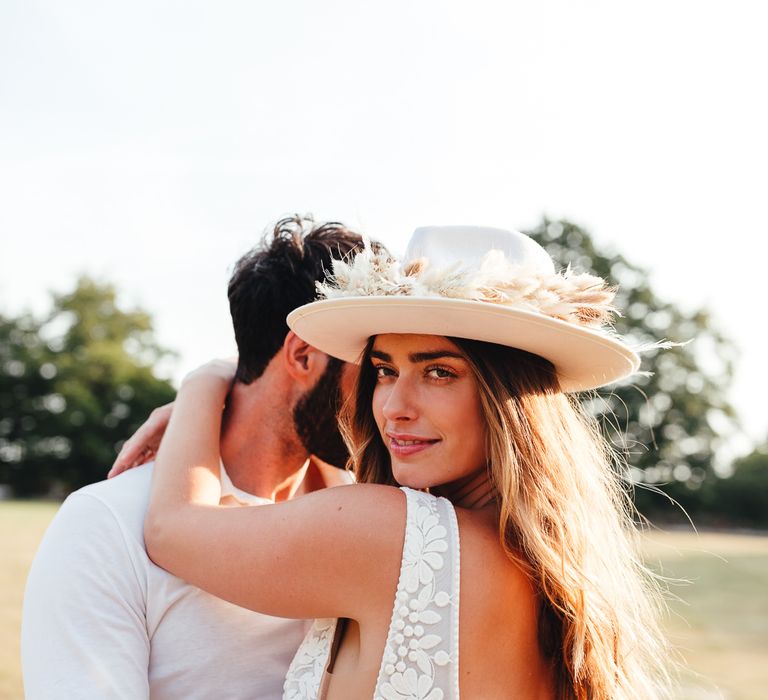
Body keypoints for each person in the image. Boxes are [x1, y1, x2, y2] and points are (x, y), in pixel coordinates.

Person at [132, 226, 673, 699]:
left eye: (439, 372)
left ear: (509, 397)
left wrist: (205, 382)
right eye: (386, 370)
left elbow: (172, 528)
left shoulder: (388, 531)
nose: (393, 407)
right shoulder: (557, 564)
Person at [21, 216, 374, 700]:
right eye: (376, 369)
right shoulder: (106, 525)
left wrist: (207, 379)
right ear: (303, 356)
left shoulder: (373, 513)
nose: (390, 402)